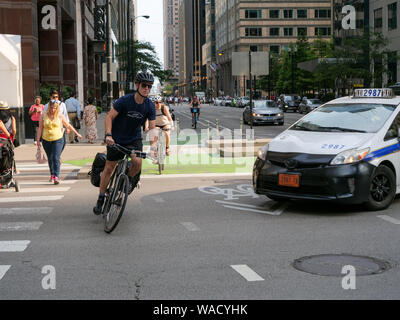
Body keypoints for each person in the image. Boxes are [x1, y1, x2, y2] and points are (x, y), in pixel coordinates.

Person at [93, 71, 157, 215]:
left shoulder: (150, 106)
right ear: (137, 85)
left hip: (134, 139)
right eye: (144, 85)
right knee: (109, 167)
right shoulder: (124, 101)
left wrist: (154, 146)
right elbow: (109, 117)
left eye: (149, 86)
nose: (147, 88)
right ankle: (101, 198)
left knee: (138, 163)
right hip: (116, 138)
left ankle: (125, 181)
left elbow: (152, 128)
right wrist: (108, 135)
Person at [36, 100, 82, 184]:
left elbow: (68, 125)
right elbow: (40, 128)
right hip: (46, 140)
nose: (53, 109)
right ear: (48, 107)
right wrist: (38, 140)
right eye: (52, 107)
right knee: (50, 158)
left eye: (55, 108)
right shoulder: (43, 115)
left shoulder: (60, 116)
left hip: (58, 139)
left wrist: (77, 133)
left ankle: (56, 176)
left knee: (55, 157)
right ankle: (52, 174)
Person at [44, 90, 70, 156]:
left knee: (63, 143)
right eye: (54, 97)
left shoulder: (62, 104)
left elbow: (65, 115)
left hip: (60, 127)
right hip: (51, 129)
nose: (55, 98)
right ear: (50, 97)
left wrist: (67, 127)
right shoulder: (47, 106)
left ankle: (57, 155)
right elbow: (44, 117)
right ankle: (56, 156)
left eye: (57, 97)